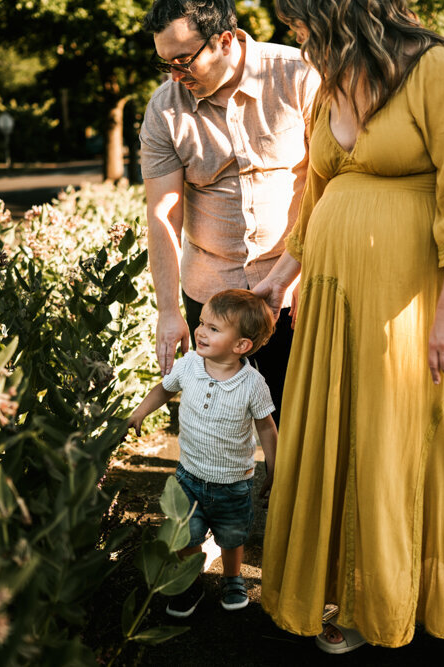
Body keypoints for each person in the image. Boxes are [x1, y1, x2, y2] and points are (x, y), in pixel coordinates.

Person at [253, 1, 444, 665]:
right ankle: (367, 600)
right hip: (338, 306)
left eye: (301, 21)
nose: (297, 36)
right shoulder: (330, 88)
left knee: (433, 445)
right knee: (359, 445)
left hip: (425, 302)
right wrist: (280, 276)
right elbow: (317, 197)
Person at [140, 0, 320, 424]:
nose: (174, 76)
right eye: (163, 63)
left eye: (183, 61)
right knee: (219, 423)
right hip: (212, 297)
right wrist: (168, 310)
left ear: (224, 41)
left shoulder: (299, 75)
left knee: (302, 416)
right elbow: (163, 215)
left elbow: (328, 183)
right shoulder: (164, 109)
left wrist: (288, 275)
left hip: (298, 286)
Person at [127, 289, 279, 616]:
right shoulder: (189, 365)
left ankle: (233, 577)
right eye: (201, 322)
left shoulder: (252, 384)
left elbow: (266, 426)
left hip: (232, 483)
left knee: (232, 535)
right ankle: (190, 579)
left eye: (213, 328)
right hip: (189, 476)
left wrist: (273, 464)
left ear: (241, 346)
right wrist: (140, 411)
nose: (200, 331)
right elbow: (164, 388)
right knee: (184, 533)